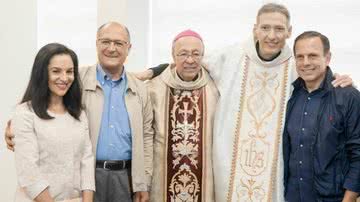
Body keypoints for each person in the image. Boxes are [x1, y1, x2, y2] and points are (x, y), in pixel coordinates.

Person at [138, 3, 353, 202]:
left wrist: (341, 78)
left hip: (273, 167)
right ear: (255, 29)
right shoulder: (231, 56)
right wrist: (151, 71)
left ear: (289, 31)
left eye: (279, 29)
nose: (272, 35)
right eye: (265, 27)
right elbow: (189, 61)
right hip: (230, 165)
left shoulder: (295, 65)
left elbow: (317, 71)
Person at [6, 22, 153, 202]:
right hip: (87, 177)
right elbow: (39, 106)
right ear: (96, 44)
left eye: (119, 43)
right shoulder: (77, 80)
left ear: (129, 48)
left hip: (125, 176)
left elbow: (146, 136)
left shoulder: (139, 89)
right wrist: (13, 130)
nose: (112, 48)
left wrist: (143, 182)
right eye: (105, 41)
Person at [12, 43, 95, 202]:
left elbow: (86, 161)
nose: (64, 78)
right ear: (42, 74)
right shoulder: (25, 113)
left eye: (69, 72)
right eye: (56, 71)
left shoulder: (79, 114)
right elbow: (29, 172)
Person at [283, 31, 360, 202]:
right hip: (291, 197)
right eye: (300, 57)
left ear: (327, 58)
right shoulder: (290, 96)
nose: (306, 62)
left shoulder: (348, 97)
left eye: (313, 56)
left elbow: (358, 155)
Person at [147, 29, 218, 202]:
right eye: (183, 54)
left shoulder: (215, 88)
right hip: (162, 179)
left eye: (196, 54)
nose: (190, 60)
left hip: (205, 178)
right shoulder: (153, 89)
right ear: (173, 56)